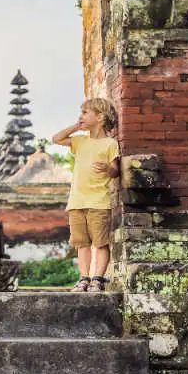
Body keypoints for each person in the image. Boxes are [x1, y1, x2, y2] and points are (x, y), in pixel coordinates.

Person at [52, 98, 120, 292]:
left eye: (85, 113)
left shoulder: (109, 144)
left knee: (100, 242)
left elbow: (116, 170)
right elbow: (56, 138)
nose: (80, 116)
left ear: (100, 117)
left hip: (99, 201)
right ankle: (84, 279)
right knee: (81, 244)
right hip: (76, 201)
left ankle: (97, 279)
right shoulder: (80, 141)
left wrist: (107, 168)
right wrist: (76, 126)